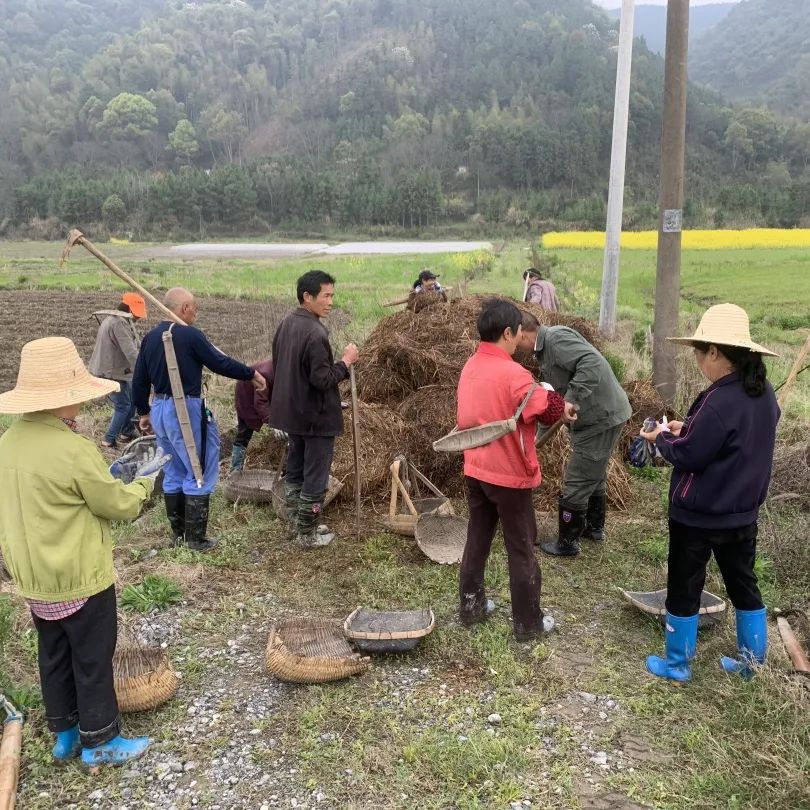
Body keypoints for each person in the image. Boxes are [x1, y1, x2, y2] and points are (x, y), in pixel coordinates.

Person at [0, 337, 169, 767]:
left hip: (35, 578)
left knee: (53, 654)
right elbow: (118, 504)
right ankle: (101, 741)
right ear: (65, 399)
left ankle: (65, 733)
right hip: (80, 575)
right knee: (92, 657)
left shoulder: (8, 444)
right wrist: (146, 476)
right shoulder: (73, 450)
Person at [639, 304, 779, 683]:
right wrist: (691, 428)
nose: (699, 360)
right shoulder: (763, 394)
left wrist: (663, 437)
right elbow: (731, 441)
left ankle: (676, 664)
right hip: (742, 515)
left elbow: (691, 453)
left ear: (715, 352)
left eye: (700, 352)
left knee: (684, 586)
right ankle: (752, 664)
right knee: (743, 583)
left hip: (697, 516)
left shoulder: (718, 400)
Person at [456, 299, 567, 641]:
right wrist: (559, 400)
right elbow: (551, 411)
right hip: (509, 476)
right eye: (519, 333)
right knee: (521, 548)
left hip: (476, 469)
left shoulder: (470, 367)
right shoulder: (514, 375)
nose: (521, 339)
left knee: (477, 538)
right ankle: (528, 624)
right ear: (507, 332)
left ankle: (471, 607)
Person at [132, 288, 266, 552]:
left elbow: (139, 379)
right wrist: (250, 374)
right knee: (199, 466)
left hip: (159, 407)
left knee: (173, 468)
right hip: (185, 408)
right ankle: (195, 539)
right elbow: (219, 363)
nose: (196, 312)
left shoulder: (150, 338)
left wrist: (144, 412)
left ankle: (179, 535)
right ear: (183, 309)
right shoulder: (190, 335)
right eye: (194, 308)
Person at [518, 312, 631, 557]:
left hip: (600, 417)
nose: (516, 344)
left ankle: (568, 543)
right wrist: (536, 440)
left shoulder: (556, 341)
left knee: (578, 477)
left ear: (525, 333)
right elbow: (556, 392)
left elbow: (592, 362)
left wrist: (572, 398)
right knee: (594, 472)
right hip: (596, 416)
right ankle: (594, 529)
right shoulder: (545, 349)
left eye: (517, 337)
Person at [270, 270, 359, 548]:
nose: (331, 301)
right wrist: (345, 362)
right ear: (307, 297)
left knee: (295, 471)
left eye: (332, 295)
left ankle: (297, 523)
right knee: (315, 477)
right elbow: (322, 379)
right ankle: (307, 535)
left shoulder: (286, 323)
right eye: (326, 295)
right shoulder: (315, 332)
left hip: (292, 413)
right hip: (316, 418)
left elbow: (283, 366)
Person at [88, 292, 148, 448]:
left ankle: (126, 432)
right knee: (123, 405)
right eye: (137, 313)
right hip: (110, 371)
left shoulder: (117, 320)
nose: (139, 317)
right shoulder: (118, 323)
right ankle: (108, 439)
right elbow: (131, 352)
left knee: (132, 400)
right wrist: (145, 370)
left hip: (118, 370)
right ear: (129, 308)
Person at [230, 358, 275, 473]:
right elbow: (260, 402)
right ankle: (235, 470)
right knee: (244, 432)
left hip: (265, 392)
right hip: (246, 393)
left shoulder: (289, 370)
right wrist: (273, 422)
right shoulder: (267, 373)